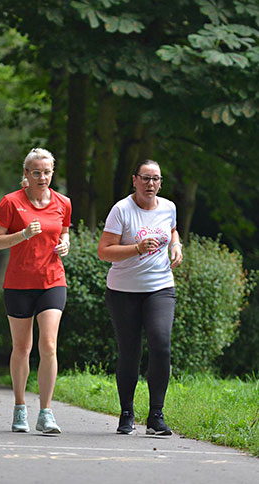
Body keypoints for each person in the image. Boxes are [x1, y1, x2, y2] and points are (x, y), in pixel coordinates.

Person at [97, 159, 183, 436]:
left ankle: (156, 416)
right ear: (134, 180)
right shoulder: (122, 210)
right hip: (124, 291)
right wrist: (136, 248)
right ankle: (126, 414)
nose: (151, 184)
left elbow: (171, 230)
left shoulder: (168, 207)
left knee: (161, 344)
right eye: (145, 178)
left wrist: (177, 245)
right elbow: (104, 251)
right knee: (130, 351)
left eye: (156, 179)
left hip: (160, 287)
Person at [0, 148, 71, 434]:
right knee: (22, 347)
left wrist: (65, 243)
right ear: (26, 174)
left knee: (48, 345)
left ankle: (46, 413)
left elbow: (63, 230)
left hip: (52, 280)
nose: (42, 177)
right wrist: (22, 235)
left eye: (46, 172)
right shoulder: (10, 202)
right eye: (36, 172)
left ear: (52, 173)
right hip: (19, 283)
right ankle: (20, 408)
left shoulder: (63, 202)